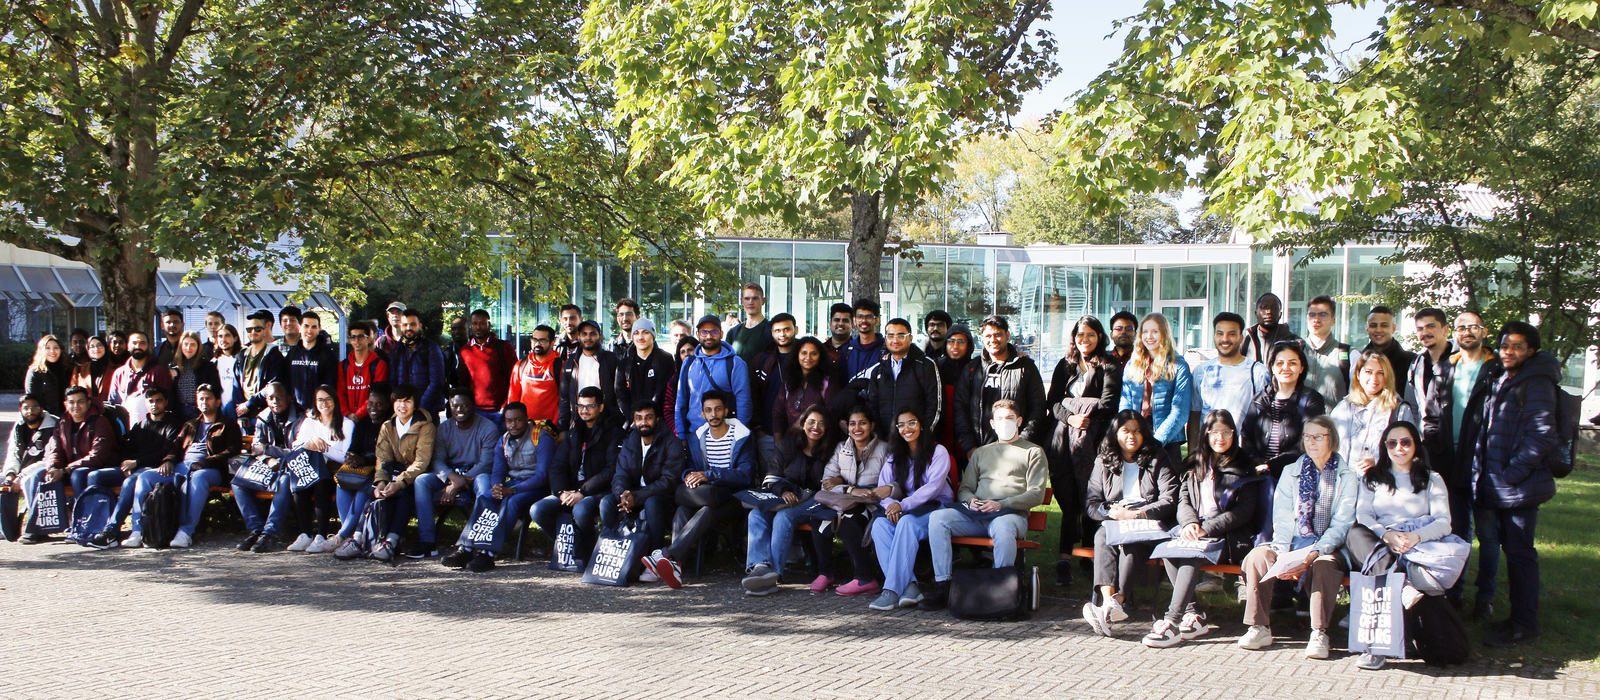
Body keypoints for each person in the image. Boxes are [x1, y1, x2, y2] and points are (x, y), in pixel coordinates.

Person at [1346, 420, 1464, 670]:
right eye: (1392, 443)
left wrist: (1415, 537)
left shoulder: (1432, 479)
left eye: (1405, 442)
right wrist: (1387, 534)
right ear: (1385, 447)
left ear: (1416, 445)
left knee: (1379, 573)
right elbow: (1364, 515)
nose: (1399, 448)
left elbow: (1444, 522)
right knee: (1356, 533)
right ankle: (1402, 586)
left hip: (1416, 544)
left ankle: (1376, 649)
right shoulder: (1372, 478)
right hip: (1380, 543)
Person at [1143, 410, 1265, 647]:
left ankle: (1171, 622)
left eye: (1227, 432)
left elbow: (1243, 511)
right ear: (1206, 434)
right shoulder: (1194, 463)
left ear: (1234, 434)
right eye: (1215, 432)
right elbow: (1183, 500)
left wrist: (1205, 529)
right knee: (1169, 549)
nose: (1221, 438)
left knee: (1190, 553)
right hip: (1196, 528)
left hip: (1227, 536)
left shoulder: (1244, 464)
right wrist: (1189, 523)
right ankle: (1195, 614)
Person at [1472, 321, 1561, 647]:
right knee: (1513, 552)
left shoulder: (1536, 383)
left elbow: (1543, 436)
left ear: (1531, 351)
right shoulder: (1505, 377)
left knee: (1521, 555)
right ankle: (1518, 618)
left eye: (1517, 347)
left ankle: (1525, 625)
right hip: (1502, 483)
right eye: (1505, 345)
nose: (1508, 351)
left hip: (1519, 486)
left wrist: (1510, 475)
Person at [1237, 416, 1356, 658]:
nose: (1311, 442)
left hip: (1327, 546)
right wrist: (1282, 552)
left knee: (1323, 565)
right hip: (1291, 542)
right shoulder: (1291, 471)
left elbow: (1341, 525)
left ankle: (1319, 632)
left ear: (1331, 439)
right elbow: (1282, 519)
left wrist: (1313, 554)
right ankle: (1259, 627)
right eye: (1307, 436)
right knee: (1258, 557)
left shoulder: (1347, 476)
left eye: (1318, 437)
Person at [920, 400, 1049, 610]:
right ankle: (943, 585)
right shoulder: (981, 452)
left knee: (1003, 527)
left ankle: (1002, 590)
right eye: (1000, 418)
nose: (1005, 422)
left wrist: (1002, 504)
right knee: (938, 518)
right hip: (977, 516)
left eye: (1009, 418)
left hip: (1010, 515)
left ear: (1019, 421)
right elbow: (965, 489)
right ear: (992, 423)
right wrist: (971, 501)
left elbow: (1036, 493)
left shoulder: (1033, 452)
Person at [642, 391, 757, 588]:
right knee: (682, 509)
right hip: (707, 495)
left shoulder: (741, 436)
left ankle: (668, 555)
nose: (714, 414)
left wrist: (710, 475)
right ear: (702, 414)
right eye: (709, 410)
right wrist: (688, 475)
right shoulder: (698, 437)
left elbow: (745, 475)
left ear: (726, 411)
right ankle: (677, 565)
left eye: (718, 409)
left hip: (736, 498)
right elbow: (690, 467)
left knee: (706, 511)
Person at [1081, 411, 1181, 636]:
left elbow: (1169, 499)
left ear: (1144, 434)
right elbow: (1092, 502)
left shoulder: (1158, 457)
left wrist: (1136, 514)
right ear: (1115, 434)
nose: (1131, 436)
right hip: (1116, 519)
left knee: (1132, 544)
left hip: (1147, 522)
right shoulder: (1103, 460)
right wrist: (1112, 513)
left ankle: (1113, 605)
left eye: (1137, 431)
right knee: (1102, 536)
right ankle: (1110, 602)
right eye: (1126, 430)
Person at [1045, 315, 1123, 586]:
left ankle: (1089, 558)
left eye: (1091, 334)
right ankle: (1064, 560)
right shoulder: (1065, 364)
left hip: (1095, 441)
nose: (1085, 339)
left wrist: (1077, 406)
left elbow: (1108, 403)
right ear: (1074, 338)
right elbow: (1053, 402)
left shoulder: (1109, 364)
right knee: (1068, 501)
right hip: (1063, 443)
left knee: (1091, 497)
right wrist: (1071, 416)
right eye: (1080, 335)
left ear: (1099, 336)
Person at [741, 406, 842, 595]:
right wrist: (784, 490)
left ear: (827, 428)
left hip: (815, 499)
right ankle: (760, 567)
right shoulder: (787, 445)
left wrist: (837, 481)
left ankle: (773, 575)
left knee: (784, 517)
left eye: (821, 423)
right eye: (811, 422)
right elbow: (772, 476)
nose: (816, 427)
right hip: (784, 496)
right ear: (803, 424)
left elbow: (839, 477)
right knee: (756, 514)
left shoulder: (831, 449)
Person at [866, 409, 955, 611]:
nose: (907, 428)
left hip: (937, 508)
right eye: (901, 425)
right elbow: (883, 488)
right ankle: (909, 587)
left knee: (907, 523)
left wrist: (903, 505)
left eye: (912, 423)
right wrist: (892, 507)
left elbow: (933, 488)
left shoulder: (938, 451)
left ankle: (891, 590)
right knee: (880, 525)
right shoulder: (894, 456)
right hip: (908, 509)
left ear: (921, 425)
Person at [523, 391, 617, 572]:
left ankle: (588, 556)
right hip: (571, 490)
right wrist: (561, 492)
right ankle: (573, 546)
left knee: (581, 509)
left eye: (590, 406)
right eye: (581, 406)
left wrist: (582, 492)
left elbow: (611, 470)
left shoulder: (613, 432)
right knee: (538, 509)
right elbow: (557, 466)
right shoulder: (574, 431)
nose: (584, 410)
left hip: (599, 491)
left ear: (600, 407)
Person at [15, 387, 118, 543]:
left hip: (96, 468)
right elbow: (55, 450)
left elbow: (98, 456)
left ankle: (79, 526)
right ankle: (36, 529)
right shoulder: (62, 422)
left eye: (80, 402)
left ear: (88, 403)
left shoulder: (100, 422)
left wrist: (65, 470)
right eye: (71, 402)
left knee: (78, 474)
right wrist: (53, 467)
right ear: (65, 404)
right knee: (38, 475)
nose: (76, 406)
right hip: (67, 469)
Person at [1449, 311, 1502, 614]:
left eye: (1473, 327)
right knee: (1458, 530)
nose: (1467, 332)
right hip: (1452, 461)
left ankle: (1486, 597)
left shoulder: (1496, 368)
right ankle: (1455, 591)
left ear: (1484, 332)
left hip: (1484, 459)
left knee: (1488, 533)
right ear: (1454, 333)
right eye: (1461, 328)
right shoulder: (1448, 366)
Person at [84, 386, 183, 548]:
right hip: (132, 468)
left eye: (158, 401)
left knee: (130, 482)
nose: (154, 404)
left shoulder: (173, 425)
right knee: (95, 476)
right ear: (146, 403)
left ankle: (111, 531)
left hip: (153, 469)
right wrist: (126, 463)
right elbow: (127, 448)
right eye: (150, 401)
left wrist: (136, 463)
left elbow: (165, 452)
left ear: (166, 402)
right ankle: (95, 526)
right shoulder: (140, 426)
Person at [409, 389, 501, 559]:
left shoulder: (488, 428)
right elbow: (437, 461)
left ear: (473, 405)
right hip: (452, 474)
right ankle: (427, 542)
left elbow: (487, 463)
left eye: (464, 406)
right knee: (422, 481)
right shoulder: (444, 428)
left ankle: (479, 542)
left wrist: (458, 484)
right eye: (455, 406)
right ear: (449, 407)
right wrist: (452, 479)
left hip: (476, 475)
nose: (459, 410)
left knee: (484, 483)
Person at [603, 401, 687, 581]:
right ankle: (615, 557)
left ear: (657, 419)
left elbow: (669, 481)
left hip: (664, 497)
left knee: (652, 502)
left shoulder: (671, 442)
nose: (643, 423)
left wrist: (637, 497)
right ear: (634, 421)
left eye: (648, 418)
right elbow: (620, 474)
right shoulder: (630, 441)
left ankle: (655, 560)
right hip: (634, 494)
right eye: (639, 418)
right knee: (607, 502)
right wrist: (622, 494)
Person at [822, 407, 891, 597]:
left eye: (863, 423)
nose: (857, 428)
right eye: (852, 424)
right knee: (822, 518)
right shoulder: (841, 449)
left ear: (872, 425)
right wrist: (850, 489)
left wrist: (843, 483)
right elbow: (826, 482)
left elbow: (892, 483)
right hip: (845, 501)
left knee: (848, 522)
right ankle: (823, 573)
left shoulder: (885, 449)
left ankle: (865, 577)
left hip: (874, 504)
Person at [954, 316, 1047, 455]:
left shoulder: (1025, 367)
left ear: (1007, 335)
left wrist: (1022, 443)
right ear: (982, 338)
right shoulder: (972, 369)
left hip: (1016, 451)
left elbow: (1038, 407)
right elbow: (960, 408)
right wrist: (969, 447)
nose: (993, 340)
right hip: (980, 451)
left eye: (998, 334)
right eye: (988, 336)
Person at [278, 385, 353, 554]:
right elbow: (297, 446)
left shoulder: (346, 424)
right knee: (301, 482)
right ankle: (305, 534)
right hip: (309, 470)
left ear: (335, 401)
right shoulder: (310, 422)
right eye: (320, 400)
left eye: (328, 399)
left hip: (334, 475)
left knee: (321, 484)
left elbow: (345, 456)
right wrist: (311, 441)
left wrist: (323, 447)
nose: (324, 404)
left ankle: (321, 535)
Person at [1238, 341, 1327, 480]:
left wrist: (1271, 466)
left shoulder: (1311, 399)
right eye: (1280, 363)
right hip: (1259, 475)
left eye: (1292, 363)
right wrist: (1257, 464)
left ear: (1302, 368)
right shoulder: (1261, 398)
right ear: (1272, 367)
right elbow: (1246, 434)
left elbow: (1307, 441)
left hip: (1296, 476)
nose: (1286, 368)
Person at [369, 383, 438, 562]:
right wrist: (381, 481)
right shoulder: (387, 426)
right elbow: (382, 458)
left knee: (404, 493)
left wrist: (399, 482)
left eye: (407, 401)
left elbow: (422, 461)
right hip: (394, 473)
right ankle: (364, 537)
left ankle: (392, 540)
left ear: (415, 404)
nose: (402, 406)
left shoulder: (425, 426)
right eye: (398, 401)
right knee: (377, 493)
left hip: (416, 476)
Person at [233, 382, 303, 553]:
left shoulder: (301, 418)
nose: (275, 401)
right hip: (269, 466)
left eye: (279, 397)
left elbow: (298, 451)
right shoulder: (263, 417)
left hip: (293, 467)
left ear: (288, 398)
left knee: (285, 481)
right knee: (238, 482)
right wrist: (267, 459)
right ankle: (256, 530)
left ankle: (270, 533)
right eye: (271, 398)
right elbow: (256, 448)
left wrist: (268, 450)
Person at [1117, 313, 1192, 466]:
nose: (1149, 336)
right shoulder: (1132, 365)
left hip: (1168, 439)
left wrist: (1156, 442)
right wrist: (1127, 434)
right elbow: (1125, 404)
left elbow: (1180, 412)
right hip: (1136, 435)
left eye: (1155, 331)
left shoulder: (1179, 366)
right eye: (1145, 332)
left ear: (1164, 333)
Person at [1331, 350, 1417, 475]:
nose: (1374, 378)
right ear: (1358, 374)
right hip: (1346, 480)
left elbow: (1410, 449)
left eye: (1380, 373)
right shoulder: (1343, 408)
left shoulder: (1399, 410)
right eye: (1369, 372)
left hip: (1383, 479)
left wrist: (1379, 459)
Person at [332, 383, 393, 557]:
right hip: (360, 468)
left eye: (379, 404)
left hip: (379, 471)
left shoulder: (390, 425)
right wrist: (351, 457)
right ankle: (349, 535)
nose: (373, 408)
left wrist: (364, 460)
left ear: (387, 405)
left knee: (361, 492)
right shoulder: (363, 423)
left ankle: (342, 535)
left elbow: (387, 456)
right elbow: (354, 447)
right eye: (370, 403)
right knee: (342, 483)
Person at [864, 318, 943, 441]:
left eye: (901, 336)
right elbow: (872, 406)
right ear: (885, 339)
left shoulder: (925, 365)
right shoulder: (878, 370)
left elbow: (934, 405)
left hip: (917, 441)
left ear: (910, 338)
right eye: (891, 336)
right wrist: (880, 437)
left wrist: (923, 436)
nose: (895, 340)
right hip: (885, 441)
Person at [1191, 312, 1269, 436]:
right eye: (1220, 333)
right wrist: (1194, 447)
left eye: (1231, 334)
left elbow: (1266, 417)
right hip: (1209, 446)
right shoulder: (1201, 372)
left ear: (1241, 338)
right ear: (1214, 337)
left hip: (1244, 446)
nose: (1225, 339)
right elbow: (1195, 414)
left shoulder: (1258, 372)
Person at [675, 314, 752, 437]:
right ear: (697, 334)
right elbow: (681, 401)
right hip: (694, 434)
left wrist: (740, 435)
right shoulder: (689, 363)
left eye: (714, 332)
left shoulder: (735, 363)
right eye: (704, 332)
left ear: (721, 334)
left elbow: (743, 402)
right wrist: (681, 433)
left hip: (725, 436)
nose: (709, 336)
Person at [749, 312, 799, 468]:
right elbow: (754, 396)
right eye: (777, 330)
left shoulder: (805, 356)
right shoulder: (762, 360)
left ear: (796, 330)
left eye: (786, 329)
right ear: (772, 333)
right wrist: (758, 429)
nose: (782, 334)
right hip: (767, 432)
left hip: (799, 433)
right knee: (769, 478)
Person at [457, 309, 517, 426]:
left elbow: (514, 378)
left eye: (482, 323)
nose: (478, 327)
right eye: (474, 323)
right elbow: (464, 382)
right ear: (470, 326)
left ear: (489, 325)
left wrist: (506, 404)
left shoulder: (503, 347)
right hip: (475, 411)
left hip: (500, 411)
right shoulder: (465, 351)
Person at [768, 337, 839, 434]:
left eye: (813, 353)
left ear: (820, 356)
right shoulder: (789, 381)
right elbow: (778, 415)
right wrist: (778, 441)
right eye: (804, 353)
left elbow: (831, 415)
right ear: (797, 355)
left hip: (818, 439)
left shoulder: (828, 382)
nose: (808, 357)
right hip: (791, 440)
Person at [614, 317, 676, 422]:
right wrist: (634, 417)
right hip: (634, 421)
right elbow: (621, 395)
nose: (640, 337)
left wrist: (650, 416)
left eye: (645, 332)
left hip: (659, 419)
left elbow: (662, 393)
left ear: (653, 336)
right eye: (636, 333)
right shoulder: (624, 364)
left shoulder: (665, 359)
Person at [235, 310, 289, 429]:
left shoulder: (274, 354)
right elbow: (236, 384)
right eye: (249, 329)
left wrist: (249, 404)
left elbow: (272, 385)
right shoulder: (242, 355)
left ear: (264, 331)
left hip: (264, 409)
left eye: (258, 329)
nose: (253, 332)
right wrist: (242, 411)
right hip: (243, 410)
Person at [107, 331, 174, 424]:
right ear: (128, 346)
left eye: (142, 343)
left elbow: (167, 403)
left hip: (151, 428)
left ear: (148, 347)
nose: (138, 346)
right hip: (125, 427)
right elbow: (113, 403)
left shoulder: (158, 372)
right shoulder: (119, 373)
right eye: (134, 343)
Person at [392, 308, 450, 415]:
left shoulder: (431, 348)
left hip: (427, 412)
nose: (408, 328)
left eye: (412, 324)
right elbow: (393, 381)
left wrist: (419, 407)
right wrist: (401, 405)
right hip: (403, 412)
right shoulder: (397, 350)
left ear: (420, 326)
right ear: (400, 326)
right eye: (405, 324)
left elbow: (437, 382)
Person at [934, 324, 975, 467]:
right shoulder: (936, 367)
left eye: (961, 341)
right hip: (943, 436)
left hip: (969, 438)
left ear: (969, 345)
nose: (955, 346)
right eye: (951, 341)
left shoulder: (976, 368)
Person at [508, 324, 562, 429]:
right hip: (524, 427)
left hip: (550, 427)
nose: (537, 344)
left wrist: (555, 423)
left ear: (552, 343)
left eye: (542, 340)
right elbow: (513, 396)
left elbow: (564, 399)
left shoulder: (560, 366)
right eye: (534, 340)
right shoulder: (520, 365)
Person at [1301, 295, 1351, 402]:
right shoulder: (1296, 352)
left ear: (1333, 320)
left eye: (1323, 314)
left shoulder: (1348, 354)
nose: (1316, 320)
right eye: (1312, 315)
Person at [1, 395, 57, 489]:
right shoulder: (18, 427)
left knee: (26, 481)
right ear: (20, 410)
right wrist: (10, 474)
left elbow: (47, 461)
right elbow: (12, 454)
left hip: (38, 472)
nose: (30, 411)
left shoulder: (52, 427)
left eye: (34, 408)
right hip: (18, 472)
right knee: (5, 481)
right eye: (26, 408)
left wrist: (21, 476)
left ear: (41, 409)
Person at [337, 321, 388, 422]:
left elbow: (377, 395)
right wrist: (347, 413)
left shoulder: (379, 365)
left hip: (371, 418)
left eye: (360, 337)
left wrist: (358, 415)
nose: (356, 341)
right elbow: (340, 393)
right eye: (353, 337)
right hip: (347, 419)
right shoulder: (343, 365)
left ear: (368, 338)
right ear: (349, 340)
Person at [1362, 306, 1416, 396]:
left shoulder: (1411, 361)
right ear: (1367, 329)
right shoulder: (1358, 360)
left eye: (1384, 325)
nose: (1378, 330)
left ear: (1393, 328)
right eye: (1373, 325)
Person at [170, 331, 220, 418]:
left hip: (200, 410)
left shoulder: (206, 366)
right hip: (179, 410)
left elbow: (214, 389)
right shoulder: (174, 367)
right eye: (186, 344)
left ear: (198, 347)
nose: (188, 348)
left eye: (193, 345)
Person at [1240, 293, 1300, 362]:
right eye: (1264, 307)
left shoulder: (1295, 342)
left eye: (1274, 308)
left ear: (1280, 314)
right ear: (1256, 314)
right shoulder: (1245, 343)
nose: (1269, 311)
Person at [838, 299, 885, 382]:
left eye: (868, 317)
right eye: (860, 317)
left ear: (877, 320)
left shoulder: (886, 349)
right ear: (854, 320)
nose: (864, 321)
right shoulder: (847, 351)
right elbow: (842, 383)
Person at [24, 335, 71, 415]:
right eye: (47, 348)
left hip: (67, 416)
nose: (52, 351)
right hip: (44, 417)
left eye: (56, 347)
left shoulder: (67, 369)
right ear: (41, 350)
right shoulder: (35, 372)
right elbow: (31, 399)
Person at [727, 283, 772, 364]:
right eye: (747, 298)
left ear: (763, 301)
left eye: (755, 298)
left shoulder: (771, 330)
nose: (750, 302)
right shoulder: (733, 332)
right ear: (742, 301)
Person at [71, 335, 119, 409]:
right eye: (92, 346)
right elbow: (73, 394)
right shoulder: (78, 370)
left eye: (99, 345)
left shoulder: (117, 369)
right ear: (88, 349)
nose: (96, 349)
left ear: (105, 347)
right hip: (86, 412)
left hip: (109, 411)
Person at [210, 325, 245, 419]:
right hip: (221, 410)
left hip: (238, 409)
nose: (223, 339)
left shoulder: (243, 359)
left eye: (227, 335)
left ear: (235, 338)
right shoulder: (214, 362)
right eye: (220, 336)